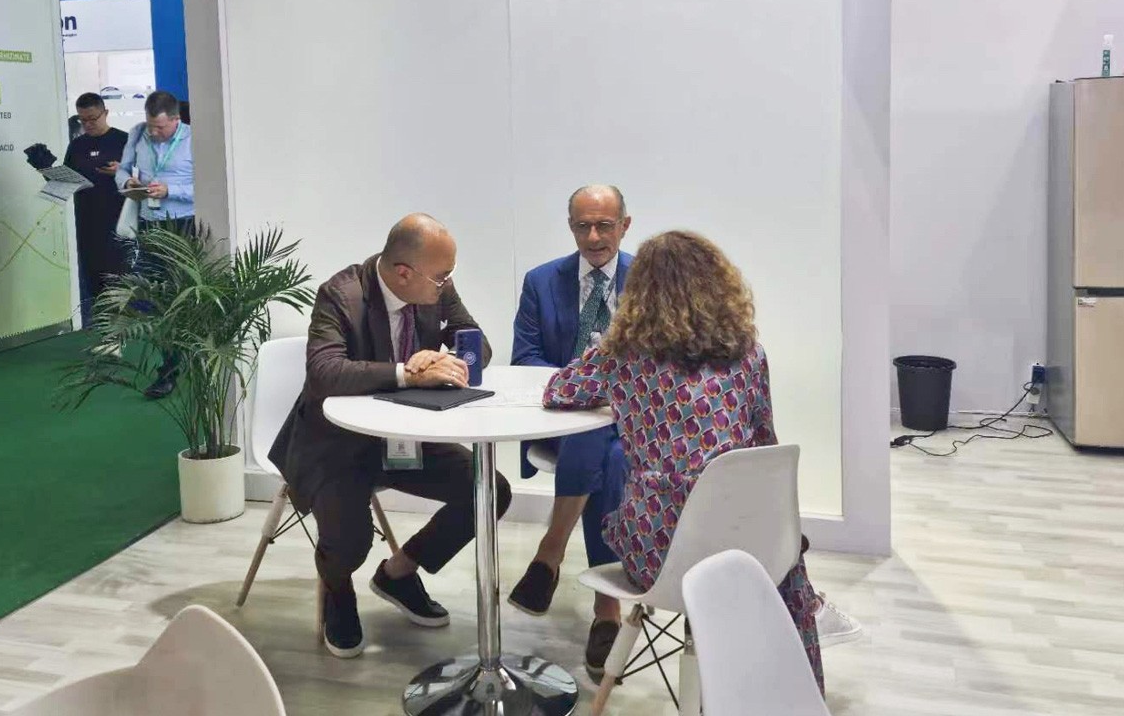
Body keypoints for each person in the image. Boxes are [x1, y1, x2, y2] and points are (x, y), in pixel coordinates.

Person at [543, 231, 832, 693]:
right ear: (720, 285)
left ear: (639, 294)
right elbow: (765, 444)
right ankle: (792, 684)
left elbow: (558, 391)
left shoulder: (623, 358)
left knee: (620, 502)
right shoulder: (750, 354)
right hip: (747, 545)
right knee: (788, 556)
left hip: (660, 553)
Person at [268, 214, 513, 660]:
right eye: (441, 276)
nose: (447, 283)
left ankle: (398, 573)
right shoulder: (341, 295)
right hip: (336, 442)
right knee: (351, 539)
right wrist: (406, 373)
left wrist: (444, 356)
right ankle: (339, 589)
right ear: (403, 273)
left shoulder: (436, 289)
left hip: (404, 437)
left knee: (488, 490)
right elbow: (325, 373)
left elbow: (478, 346)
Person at [507, 184, 632, 678]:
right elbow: (525, 359)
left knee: (613, 453)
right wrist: (583, 387)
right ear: (571, 227)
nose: (594, 236)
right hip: (563, 416)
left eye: (604, 225)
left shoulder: (648, 281)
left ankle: (551, 550)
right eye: (583, 226)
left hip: (631, 420)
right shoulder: (542, 281)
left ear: (625, 225)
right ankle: (607, 608)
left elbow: (667, 356)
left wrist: (615, 392)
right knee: (596, 440)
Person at [115, 90, 194, 399]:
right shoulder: (137, 134)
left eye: (160, 127)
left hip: (184, 226)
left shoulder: (195, 139)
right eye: (150, 125)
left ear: (176, 120)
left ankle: (193, 358)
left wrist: (170, 190)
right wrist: (128, 182)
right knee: (158, 300)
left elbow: (209, 185)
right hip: (150, 225)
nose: (154, 132)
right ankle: (169, 367)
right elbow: (123, 169)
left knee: (184, 299)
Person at [63, 93, 129, 316]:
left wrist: (122, 171)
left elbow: (146, 178)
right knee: (93, 282)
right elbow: (66, 180)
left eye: (93, 119)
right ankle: (101, 326)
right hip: (86, 222)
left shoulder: (125, 141)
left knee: (119, 280)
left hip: (118, 221)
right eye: (83, 120)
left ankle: (120, 328)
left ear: (105, 113)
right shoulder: (77, 146)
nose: (88, 124)